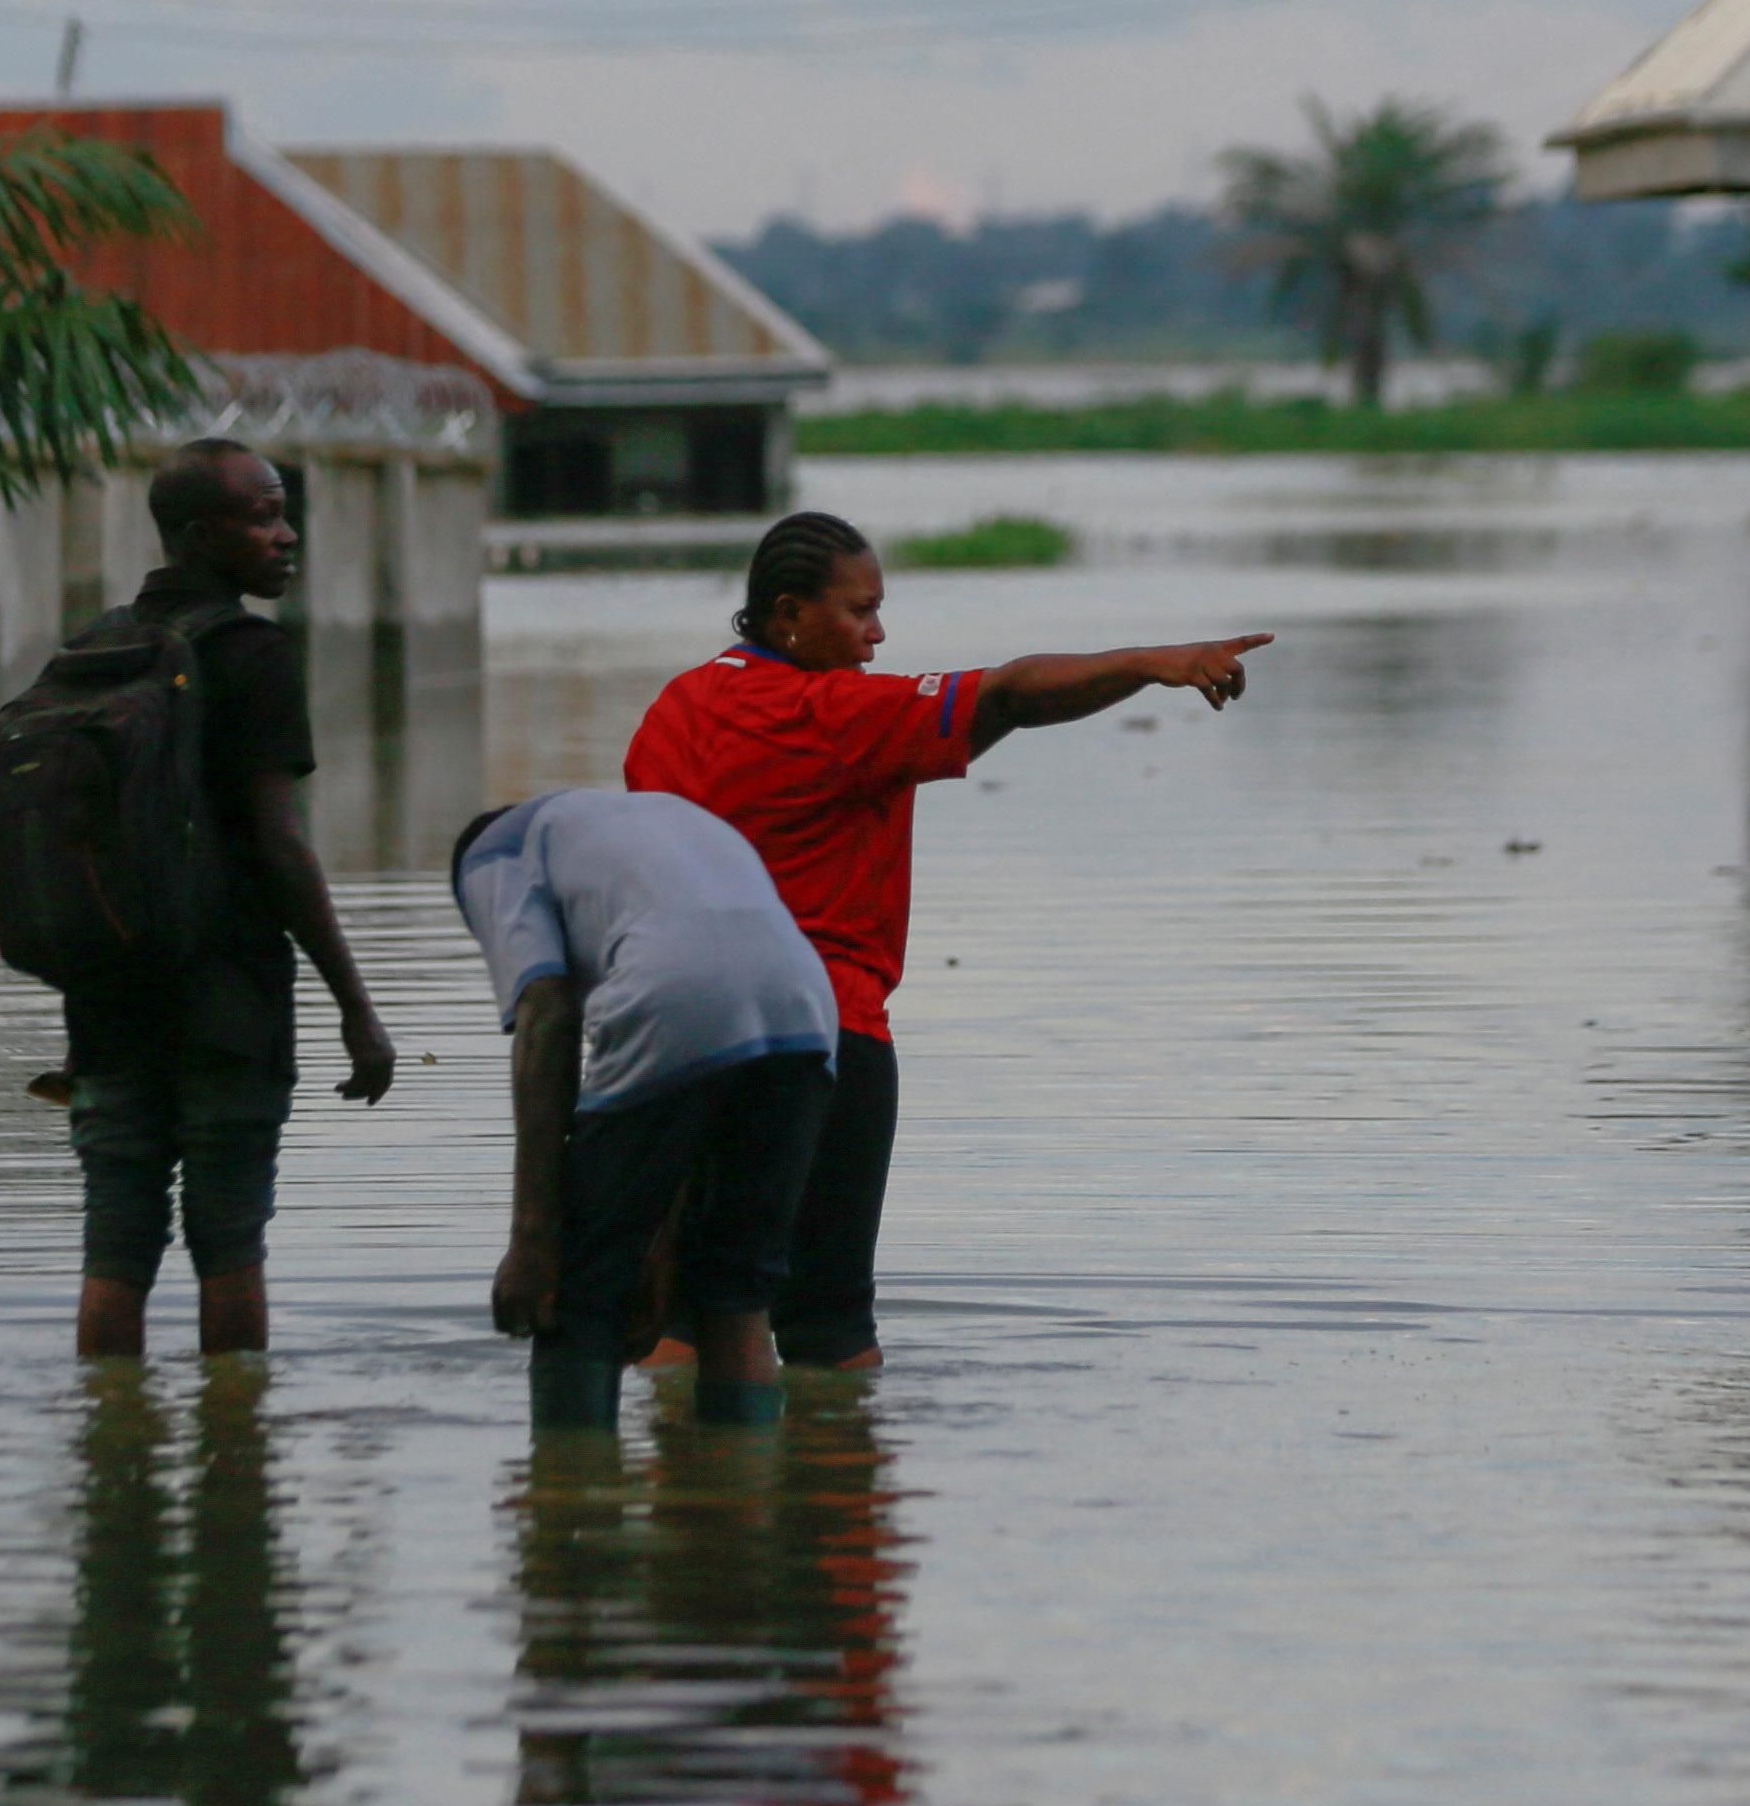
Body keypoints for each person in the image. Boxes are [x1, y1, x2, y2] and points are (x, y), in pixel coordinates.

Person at [625, 511, 1269, 1370]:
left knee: (691, 1321)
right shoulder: (834, 714)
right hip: (825, 1032)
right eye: (860, 612)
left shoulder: (675, 708)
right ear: (789, 613)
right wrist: (1153, 664)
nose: (877, 634)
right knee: (829, 1325)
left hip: (687, 1040)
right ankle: (843, 1486)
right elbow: (1010, 693)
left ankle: (662, 1487)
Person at [65, 439, 397, 1361]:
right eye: (263, 517)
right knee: (230, 1248)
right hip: (227, 998)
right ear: (199, 535)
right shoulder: (251, 652)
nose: (287, 537)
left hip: (107, 999)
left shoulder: (97, 647)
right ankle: (235, 1466)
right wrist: (357, 1011)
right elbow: (280, 843)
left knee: (115, 1250)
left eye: (284, 513)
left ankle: (113, 1454)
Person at [452, 787, 840, 1432]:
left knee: (575, 1294)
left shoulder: (493, 854)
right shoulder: (662, 823)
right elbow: (688, 1103)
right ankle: (740, 1504)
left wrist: (534, 1239)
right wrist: (658, 1247)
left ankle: (567, 1507)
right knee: (736, 1291)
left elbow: (546, 1012)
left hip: (673, 991)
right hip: (803, 1007)